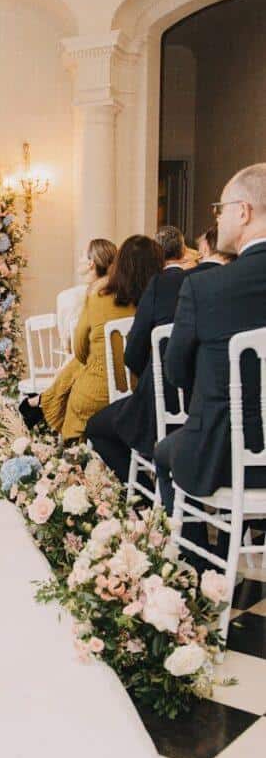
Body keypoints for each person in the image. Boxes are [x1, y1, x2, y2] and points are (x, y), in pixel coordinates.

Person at [155, 164, 266, 523]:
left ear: (243, 212)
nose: (218, 219)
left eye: (220, 210)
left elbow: (175, 371)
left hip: (224, 456)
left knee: (163, 451)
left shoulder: (205, 287)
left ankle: (199, 567)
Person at [21, 235, 163, 441]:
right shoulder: (157, 304)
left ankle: (45, 408)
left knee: (78, 380)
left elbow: (79, 350)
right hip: (142, 395)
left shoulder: (98, 297)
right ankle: (42, 401)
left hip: (95, 394)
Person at [84, 226, 189, 482]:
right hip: (198, 405)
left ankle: (145, 495)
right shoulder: (194, 284)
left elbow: (132, 355)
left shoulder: (155, 287)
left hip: (160, 403)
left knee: (96, 428)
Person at [56, 239, 117, 353]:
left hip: (87, 359)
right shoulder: (119, 293)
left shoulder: (70, 297)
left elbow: (70, 347)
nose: (79, 260)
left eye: (82, 255)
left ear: (91, 263)